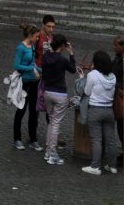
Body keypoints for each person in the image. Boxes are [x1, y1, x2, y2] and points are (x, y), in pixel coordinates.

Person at [81, 49, 118, 176]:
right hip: (109, 111)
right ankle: (112, 166)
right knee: (111, 140)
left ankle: (95, 166)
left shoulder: (93, 75)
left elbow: (86, 92)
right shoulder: (113, 77)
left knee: (96, 139)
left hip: (95, 110)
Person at [41, 32, 76, 165]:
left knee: (51, 122)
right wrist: (71, 53)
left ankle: (48, 152)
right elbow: (73, 69)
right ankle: (53, 155)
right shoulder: (62, 59)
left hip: (47, 92)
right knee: (55, 124)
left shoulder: (45, 57)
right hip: (60, 94)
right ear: (62, 45)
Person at [13, 23, 43, 151]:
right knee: (21, 111)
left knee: (33, 112)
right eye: (36, 36)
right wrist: (31, 68)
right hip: (24, 83)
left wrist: (40, 69)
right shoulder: (21, 48)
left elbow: (33, 63)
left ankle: (33, 139)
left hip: (34, 82)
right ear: (30, 36)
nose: (38, 39)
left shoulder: (31, 47)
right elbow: (17, 66)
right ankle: (17, 139)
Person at [112, 35, 124, 166]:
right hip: (117, 95)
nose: (114, 47)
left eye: (116, 45)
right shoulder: (117, 58)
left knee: (122, 126)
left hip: (121, 96)